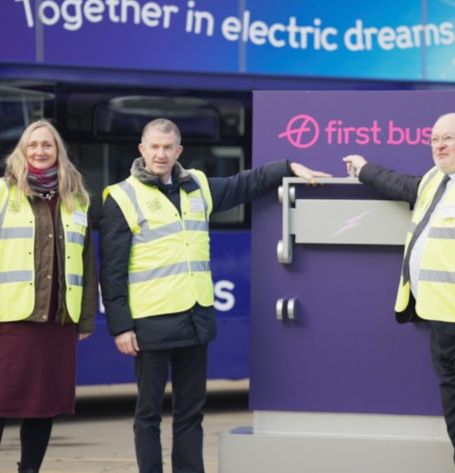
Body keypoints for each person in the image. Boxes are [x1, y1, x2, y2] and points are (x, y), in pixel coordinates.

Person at [99, 117, 329, 473]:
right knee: (148, 414)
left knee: (190, 414)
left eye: (167, 147)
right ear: (142, 150)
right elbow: (111, 270)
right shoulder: (121, 197)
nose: (161, 154)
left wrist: (287, 167)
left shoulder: (198, 186)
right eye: (154, 147)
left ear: (179, 151)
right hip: (151, 323)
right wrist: (120, 327)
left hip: (195, 319)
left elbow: (243, 184)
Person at [343, 112, 455, 473]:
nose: (439, 146)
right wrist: (363, 169)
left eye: (448, 139)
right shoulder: (435, 181)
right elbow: (400, 185)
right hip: (443, 326)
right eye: (435, 139)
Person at [0, 120, 99, 473]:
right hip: (10, 321)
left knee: (44, 405)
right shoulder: (1, 192)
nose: (40, 151)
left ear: (59, 152)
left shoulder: (76, 198)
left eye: (48, 145)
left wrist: (85, 317)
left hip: (57, 321)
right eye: (33, 145)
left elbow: (87, 262)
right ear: (22, 151)